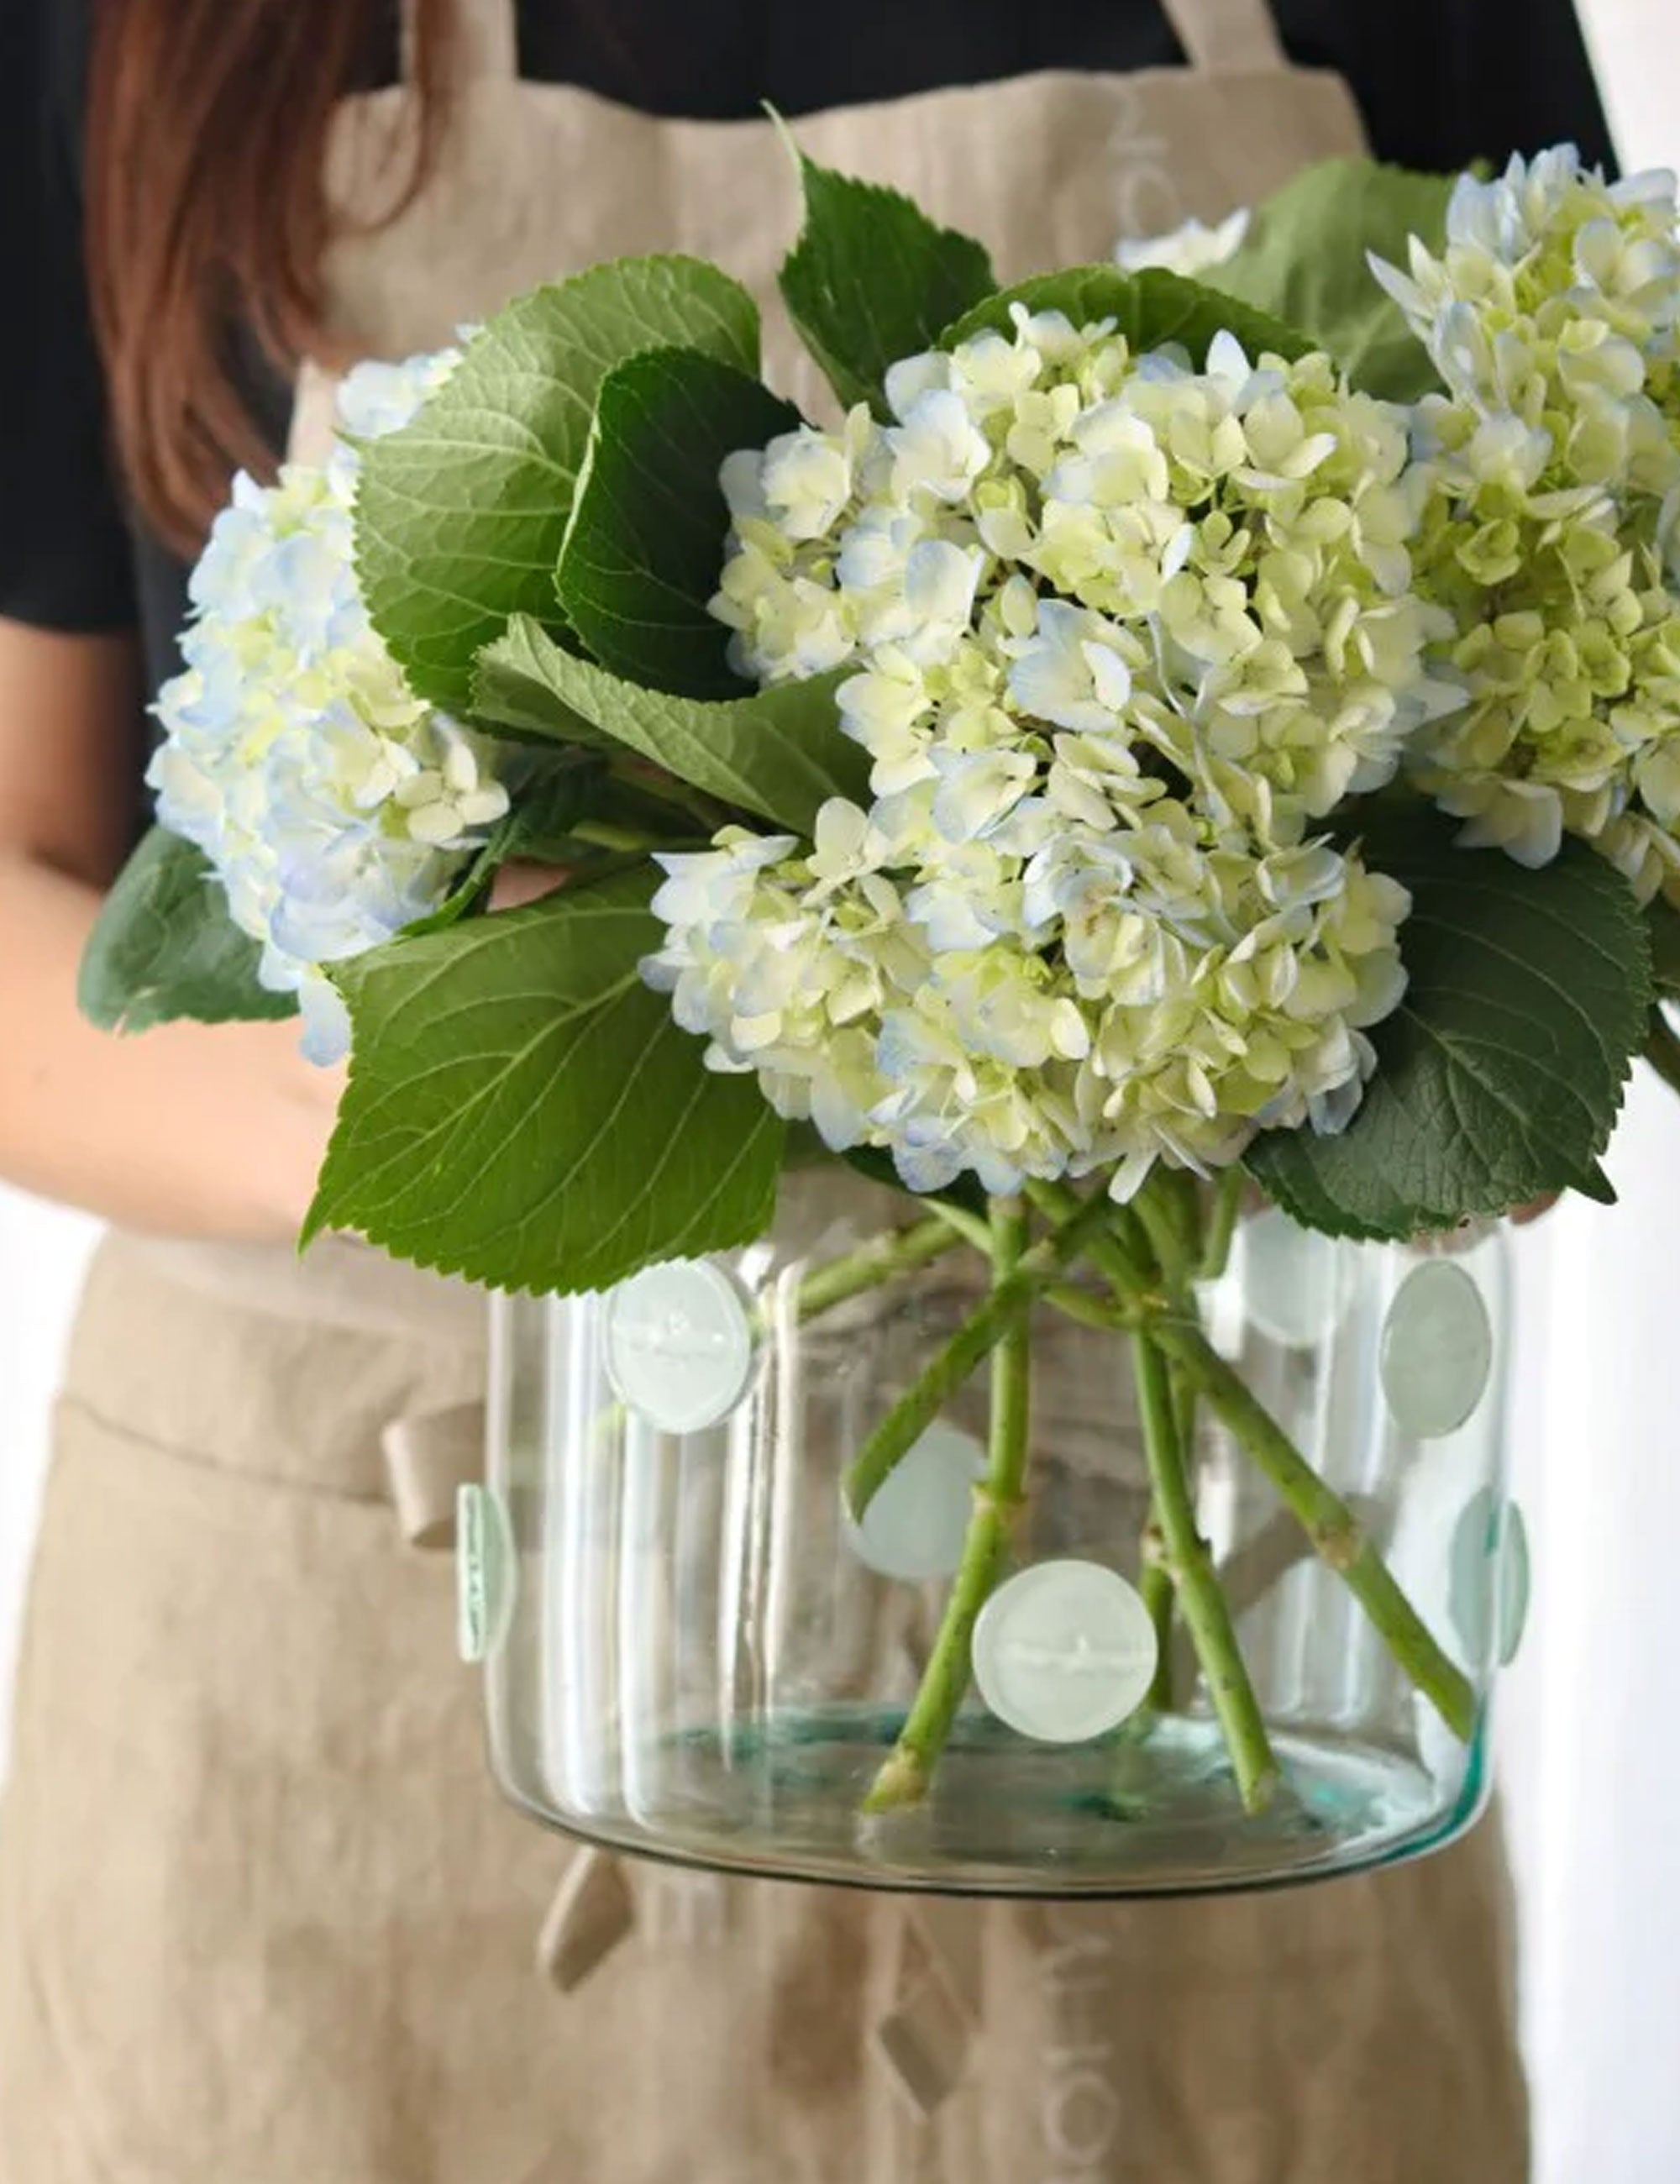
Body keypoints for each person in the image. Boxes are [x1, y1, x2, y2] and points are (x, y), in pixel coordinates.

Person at [0, 2, 1614, 2177]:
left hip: (1167, 1707)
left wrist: (1349, 998)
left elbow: (1581, 674)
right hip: (347, 1706)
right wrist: (448, 1082)